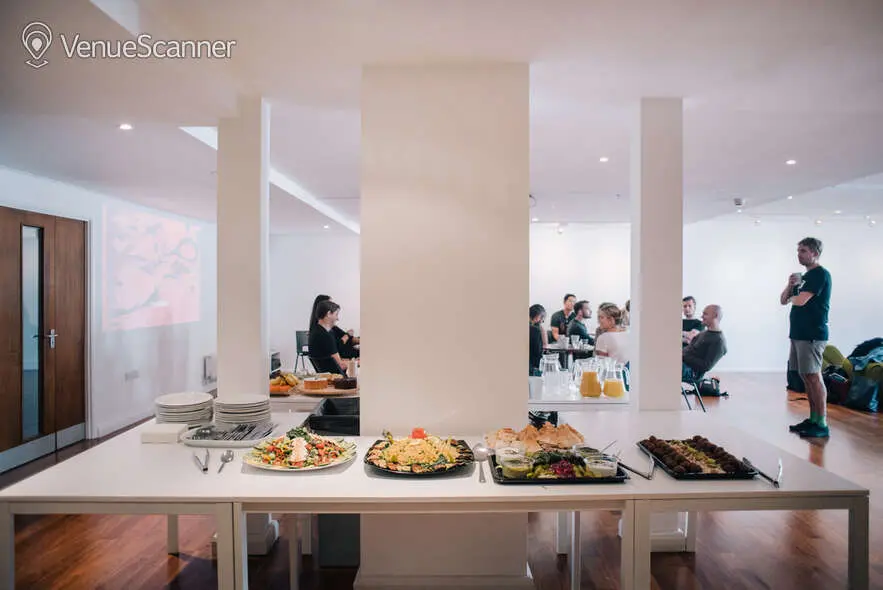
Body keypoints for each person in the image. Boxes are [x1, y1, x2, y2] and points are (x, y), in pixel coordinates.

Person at [780, 237, 832, 438]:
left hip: (812, 334)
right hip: (799, 334)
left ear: (815, 253)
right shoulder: (806, 277)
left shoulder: (820, 275)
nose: (799, 254)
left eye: (803, 250)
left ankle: (821, 422)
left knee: (814, 376)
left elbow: (800, 301)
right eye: (798, 250)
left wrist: (795, 294)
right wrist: (790, 284)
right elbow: (784, 300)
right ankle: (813, 419)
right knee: (805, 377)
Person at [682, 305, 727, 382]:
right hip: (683, 363)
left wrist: (682, 356)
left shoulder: (719, 341)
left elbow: (706, 366)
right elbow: (689, 348)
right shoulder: (704, 332)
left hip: (692, 372)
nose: (701, 316)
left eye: (705, 314)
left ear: (715, 316)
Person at [310, 295, 360, 359]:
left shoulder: (324, 329)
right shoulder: (324, 332)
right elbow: (337, 347)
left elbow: (348, 338)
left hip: (342, 355)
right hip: (341, 356)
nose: (337, 318)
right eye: (330, 304)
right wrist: (347, 335)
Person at [309, 300, 347, 374]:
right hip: (336, 378)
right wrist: (358, 362)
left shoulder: (315, 331)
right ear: (329, 314)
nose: (337, 318)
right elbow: (341, 366)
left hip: (325, 375)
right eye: (336, 314)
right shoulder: (326, 336)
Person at [529, 304, 546, 375]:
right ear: (538, 317)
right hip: (532, 368)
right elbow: (539, 351)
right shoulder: (535, 330)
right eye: (542, 319)